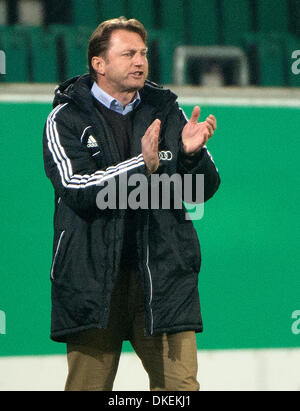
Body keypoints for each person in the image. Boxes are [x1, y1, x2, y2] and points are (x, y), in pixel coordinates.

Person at [43, 17, 220, 391]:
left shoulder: (167, 110)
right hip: (92, 282)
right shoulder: (66, 118)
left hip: (163, 281)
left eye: (143, 53)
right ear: (99, 64)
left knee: (180, 391)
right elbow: (78, 189)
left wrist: (191, 155)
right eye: (128, 54)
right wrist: (141, 164)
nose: (140, 61)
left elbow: (202, 190)